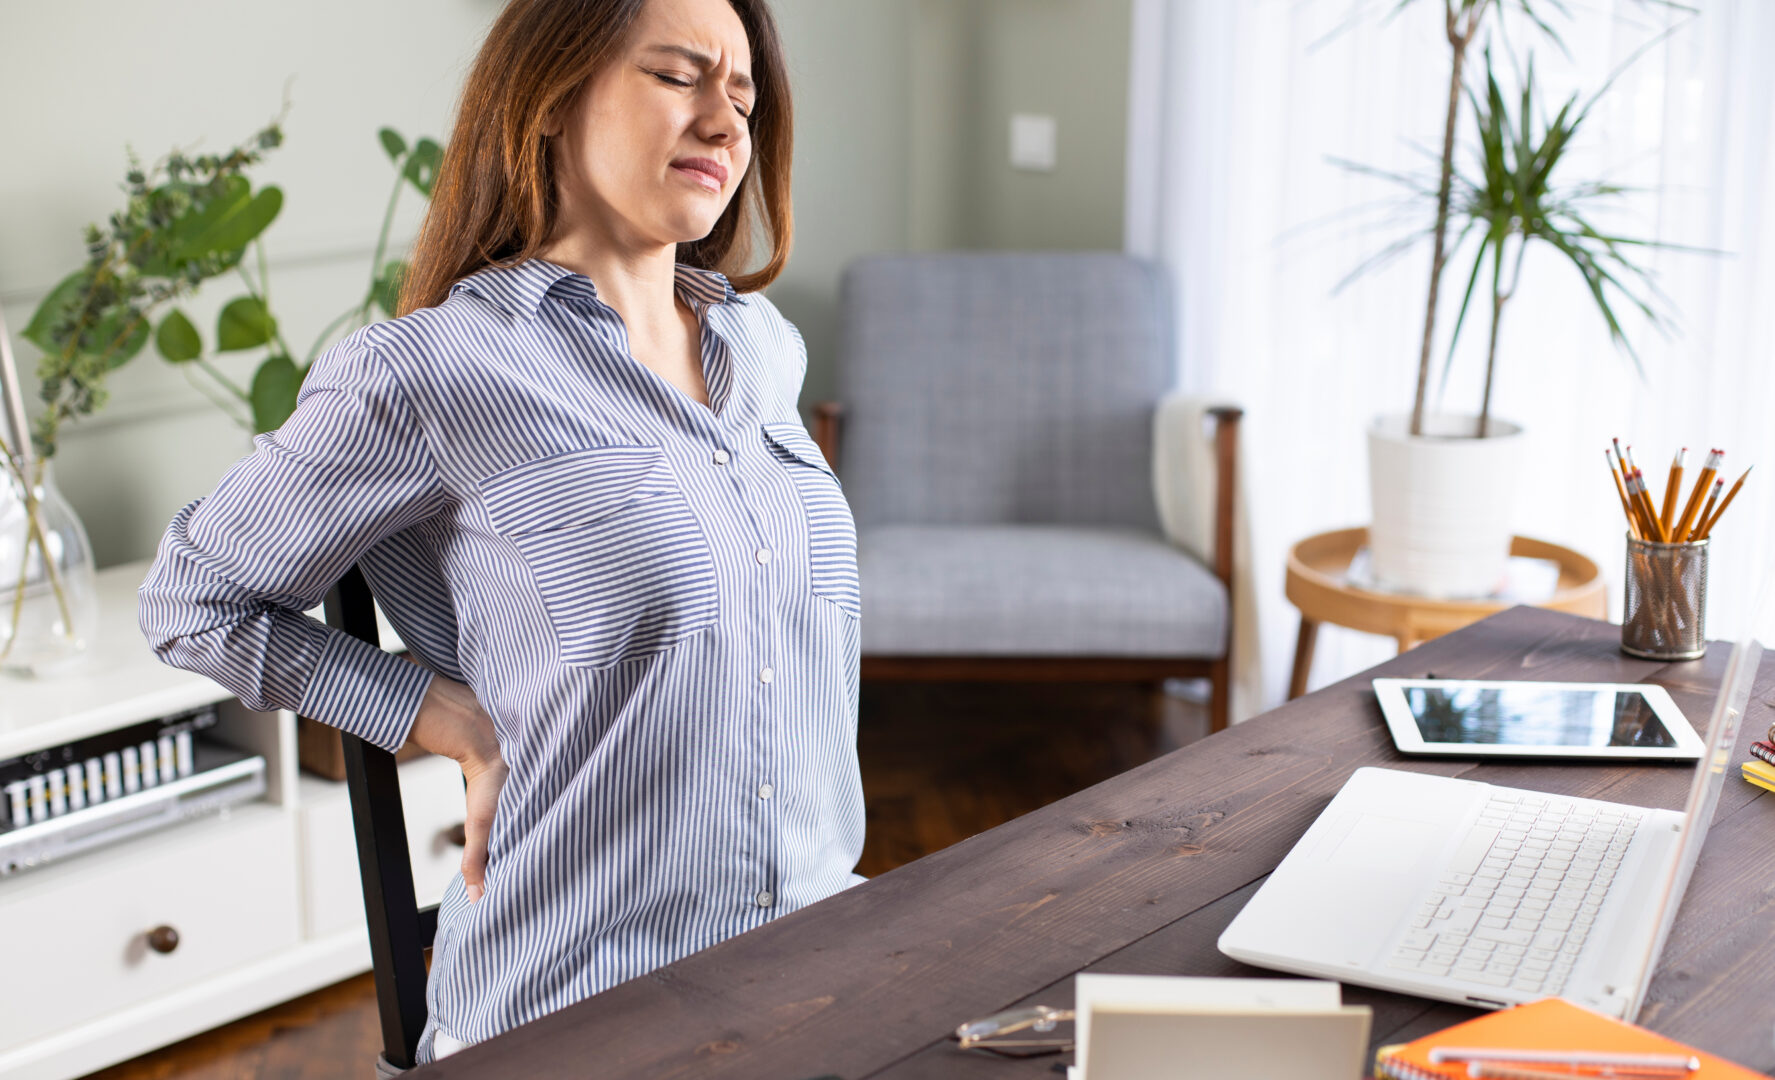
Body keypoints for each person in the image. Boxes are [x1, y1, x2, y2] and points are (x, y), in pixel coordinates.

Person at [138, 0, 864, 1063]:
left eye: (743, 97)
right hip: (584, 1005)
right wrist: (432, 712)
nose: (724, 123)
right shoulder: (433, 372)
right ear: (549, 100)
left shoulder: (764, 349)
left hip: (824, 957)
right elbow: (188, 599)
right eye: (678, 77)